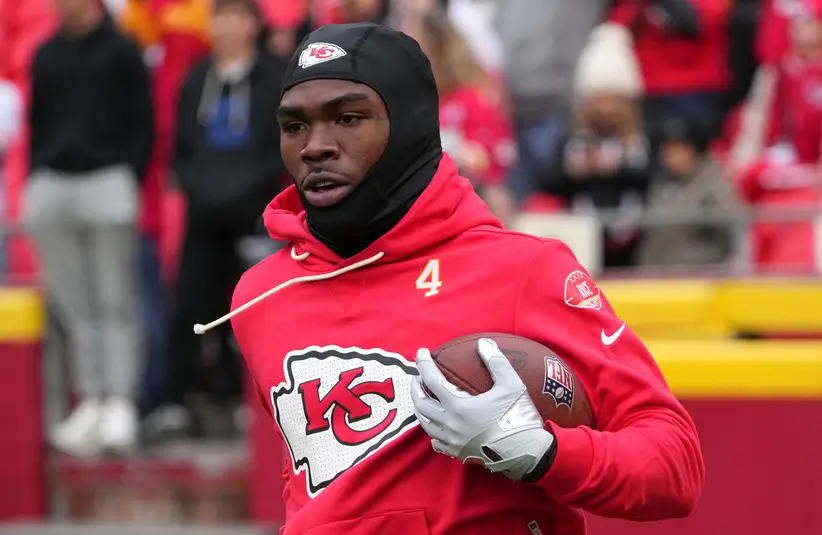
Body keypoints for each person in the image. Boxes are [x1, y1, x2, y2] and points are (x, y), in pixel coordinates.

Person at [196, 23, 704, 534]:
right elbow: (307, 487)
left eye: (348, 118)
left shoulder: (522, 270)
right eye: (294, 126)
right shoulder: (261, 294)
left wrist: (541, 451)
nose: (315, 146)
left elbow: (674, 462)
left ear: (411, 126)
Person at [25, 0, 154, 455]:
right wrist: (37, 175)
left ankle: (120, 399)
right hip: (52, 181)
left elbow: (142, 120)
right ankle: (93, 398)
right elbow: (38, 122)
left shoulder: (121, 49)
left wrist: (128, 173)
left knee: (114, 297)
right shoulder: (45, 54)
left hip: (107, 177)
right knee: (72, 301)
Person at [159, 0, 288, 436]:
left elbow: (279, 147)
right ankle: (180, 400)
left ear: (253, 25)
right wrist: (199, 187)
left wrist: (249, 193)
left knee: (254, 309)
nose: (228, 27)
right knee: (191, 304)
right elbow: (182, 145)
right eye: (221, 18)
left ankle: (253, 398)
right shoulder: (197, 77)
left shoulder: (273, 78)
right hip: (204, 213)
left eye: (237, 17)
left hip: (255, 214)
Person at [407, 10, 516, 228]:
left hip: (470, 199)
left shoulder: (474, 98)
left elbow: (485, 160)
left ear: (436, 49)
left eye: (417, 47)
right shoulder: (415, 99)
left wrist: (455, 150)